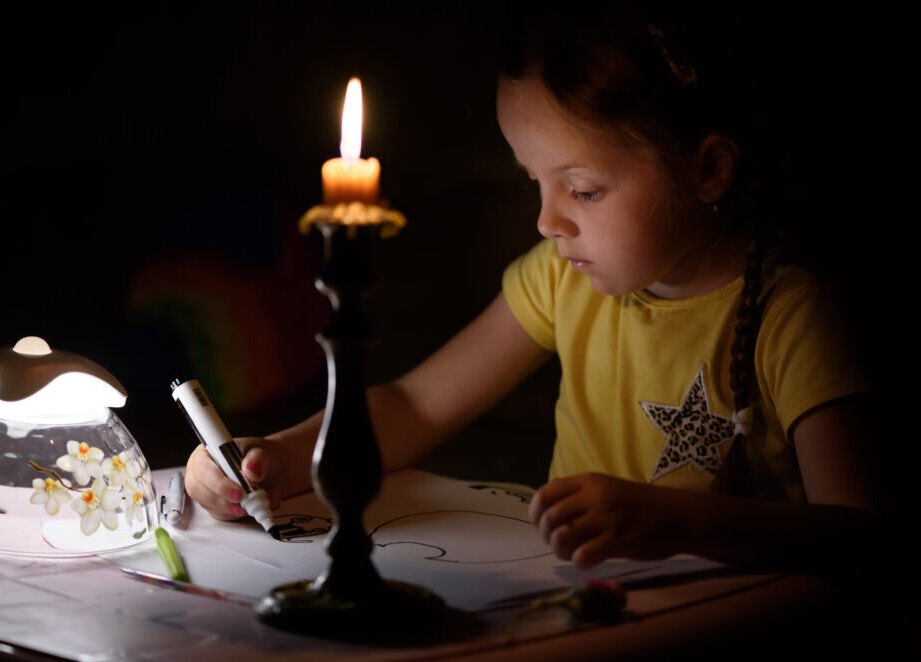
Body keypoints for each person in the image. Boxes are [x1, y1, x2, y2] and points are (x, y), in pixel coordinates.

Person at [185, 7, 883, 574]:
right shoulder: (561, 279)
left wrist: (680, 521)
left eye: (582, 189)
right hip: (569, 618)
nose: (548, 221)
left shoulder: (791, 318)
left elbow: (861, 533)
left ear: (709, 170)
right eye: (534, 182)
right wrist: (279, 456)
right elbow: (418, 405)